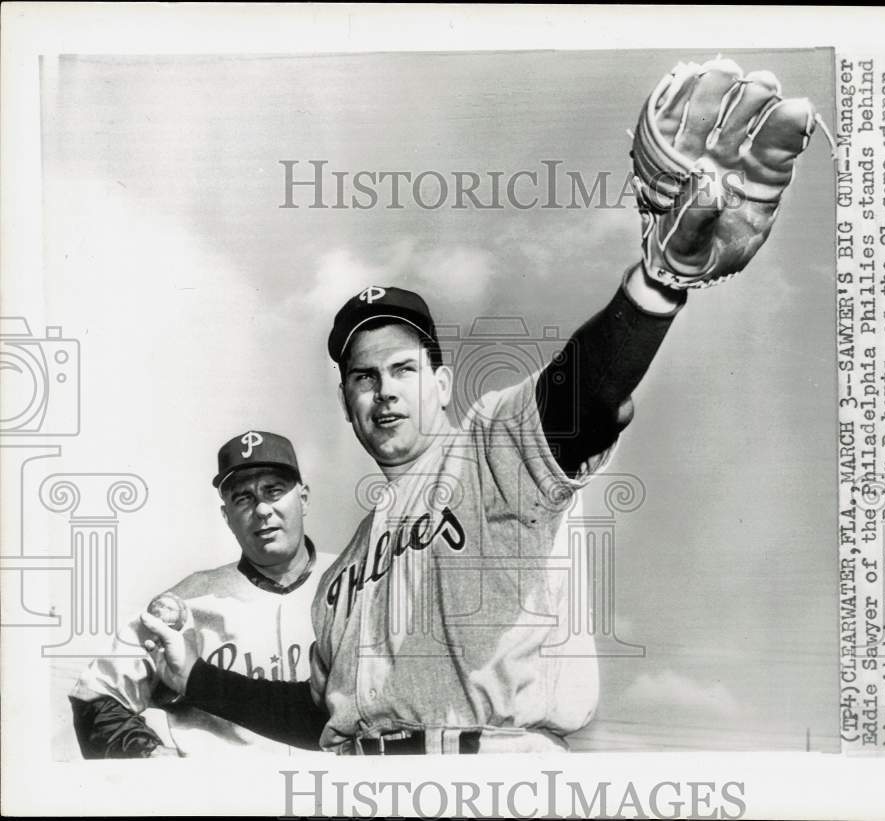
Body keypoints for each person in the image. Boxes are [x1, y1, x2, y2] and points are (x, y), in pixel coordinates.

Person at [141, 57, 819, 754]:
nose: (384, 391)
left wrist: (655, 286)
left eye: (404, 368)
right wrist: (195, 680)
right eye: (363, 377)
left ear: (441, 382)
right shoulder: (337, 577)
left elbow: (578, 398)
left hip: (491, 774)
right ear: (346, 401)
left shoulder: (488, 448)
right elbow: (321, 713)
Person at [69, 431, 322, 757]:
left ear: (303, 498)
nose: (261, 510)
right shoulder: (186, 602)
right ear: (226, 515)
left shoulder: (356, 583)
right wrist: (148, 757)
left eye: (273, 491)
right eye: (242, 498)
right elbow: (95, 694)